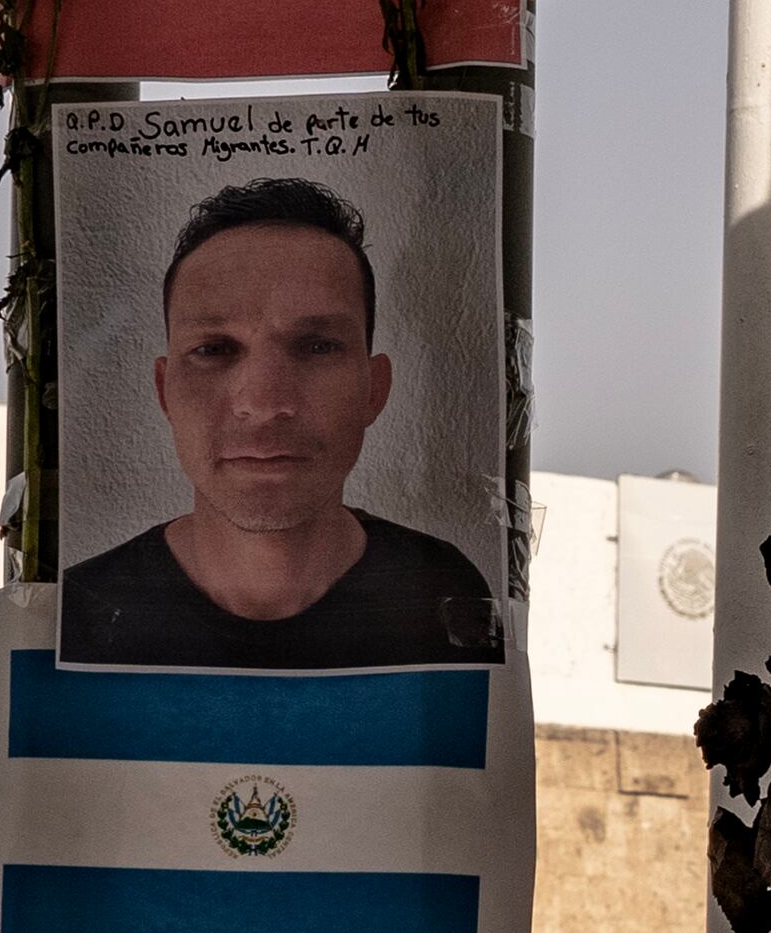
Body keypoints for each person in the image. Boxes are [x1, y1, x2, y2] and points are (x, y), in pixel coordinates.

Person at [61, 176, 504, 670]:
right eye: (214, 350)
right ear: (165, 391)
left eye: (317, 347)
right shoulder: (81, 612)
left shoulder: (443, 591)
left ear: (374, 389)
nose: (266, 402)